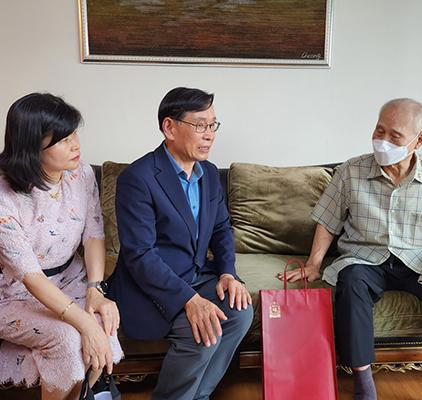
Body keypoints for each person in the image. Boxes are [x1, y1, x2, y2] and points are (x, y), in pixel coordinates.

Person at [281, 98, 422, 400]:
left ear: (418, 140)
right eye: (379, 130)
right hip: (365, 260)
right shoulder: (351, 171)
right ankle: (364, 387)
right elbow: (328, 221)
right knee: (351, 284)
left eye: (395, 136)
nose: (382, 141)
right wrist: (314, 264)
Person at [108, 87, 253, 400]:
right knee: (203, 331)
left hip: (195, 275)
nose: (209, 134)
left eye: (212, 125)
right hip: (149, 288)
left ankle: (198, 395)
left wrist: (228, 272)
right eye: (200, 125)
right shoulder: (138, 178)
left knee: (240, 311)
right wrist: (190, 300)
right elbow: (140, 255)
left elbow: (221, 229)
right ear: (169, 127)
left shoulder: (209, 174)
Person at [0, 93, 123, 400]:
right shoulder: (4, 197)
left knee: (104, 322)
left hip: (70, 278)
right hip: (13, 291)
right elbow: (30, 277)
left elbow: (93, 233)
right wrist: (85, 324)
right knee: (68, 338)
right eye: (63, 140)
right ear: (32, 147)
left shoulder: (80, 173)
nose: (75, 145)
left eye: (74, 134)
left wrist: (95, 288)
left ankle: (85, 394)